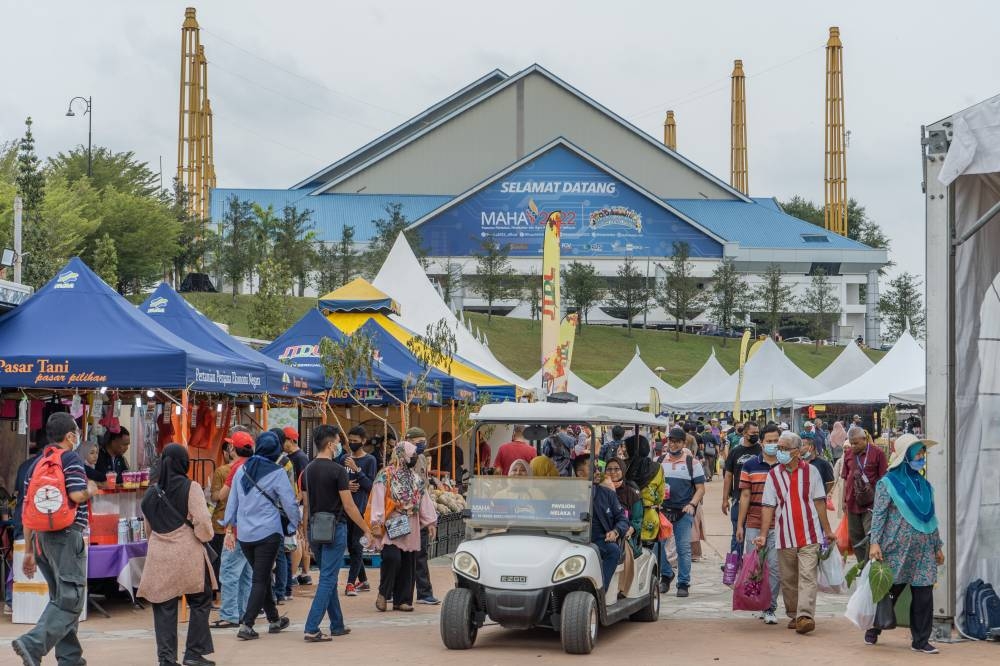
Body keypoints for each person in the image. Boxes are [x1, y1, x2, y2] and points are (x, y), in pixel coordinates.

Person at [12, 413, 99, 666]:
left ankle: (70, 659)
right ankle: (33, 644)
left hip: (41, 540)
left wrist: (29, 550)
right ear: (70, 436)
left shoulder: (36, 464)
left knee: (61, 600)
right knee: (71, 599)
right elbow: (76, 494)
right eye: (76, 432)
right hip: (67, 536)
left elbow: (27, 511)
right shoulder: (70, 458)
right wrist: (90, 489)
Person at [863, 434, 944, 654]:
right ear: (905, 456)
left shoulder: (925, 485)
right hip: (896, 549)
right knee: (891, 591)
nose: (920, 457)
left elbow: (931, 518)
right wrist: (874, 543)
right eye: (916, 453)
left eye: (921, 453)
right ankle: (875, 626)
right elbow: (878, 515)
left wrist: (938, 547)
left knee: (924, 594)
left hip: (924, 550)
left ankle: (920, 641)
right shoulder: (887, 483)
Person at [138, 444, 217, 666]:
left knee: (163, 607)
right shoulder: (191, 487)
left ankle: (166, 659)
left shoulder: (150, 493)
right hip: (188, 555)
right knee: (201, 600)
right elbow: (202, 521)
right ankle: (193, 653)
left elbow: (149, 529)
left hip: (160, 557)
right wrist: (205, 536)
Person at [755, 431, 836, 636]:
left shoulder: (812, 472)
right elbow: (768, 506)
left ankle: (805, 616)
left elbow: (819, 502)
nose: (779, 452)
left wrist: (827, 531)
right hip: (784, 535)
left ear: (798, 451)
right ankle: (794, 614)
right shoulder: (773, 475)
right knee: (789, 579)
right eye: (778, 448)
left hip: (810, 535)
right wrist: (763, 535)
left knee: (808, 575)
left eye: (784, 448)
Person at [223, 431, 300, 641]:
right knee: (260, 578)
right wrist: (295, 524)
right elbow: (289, 502)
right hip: (268, 533)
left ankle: (274, 619)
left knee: (262, 576)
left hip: (245, 535)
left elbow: (232, 502)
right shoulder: (277, 472)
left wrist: (228, 525)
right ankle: (247, 625)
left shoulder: (241, 470)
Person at [301, 425, 374, 642]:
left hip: (315, 528)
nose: (341, 445)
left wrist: (304, 533)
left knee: (328, 576)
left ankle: (337, 624)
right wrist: (367, 529)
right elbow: (350, 507)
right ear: (331, 444)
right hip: (335, 528)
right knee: (328, 578)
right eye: (338, 441)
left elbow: (307, 504)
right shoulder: (338, 470)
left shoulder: (309, 469)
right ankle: (312, 627)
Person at [369, 441, 438, 612]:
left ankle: (403, 599)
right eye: (411, 454)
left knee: (408, 562)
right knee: (393, 558)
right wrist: (376, 521)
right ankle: (383, 594)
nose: (414, 457)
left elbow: (424, 499)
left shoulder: (416, 478)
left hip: (411, 523)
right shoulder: (385, 475)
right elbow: (377, 498)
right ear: (400, 455)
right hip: (392, 522)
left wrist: (430, 522)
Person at [736, 423, 782, 624]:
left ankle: (770, 607)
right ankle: (759, 601)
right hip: (754, 523)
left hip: (779, 525)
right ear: (761, 443)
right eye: (769, 441)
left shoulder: (785, 466)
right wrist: (740, 525)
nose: (772, 444)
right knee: (756, 565)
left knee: (774, 567)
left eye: (776, 441)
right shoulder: (750, 465)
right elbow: (745, 495)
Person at [213, 429, 254, 630]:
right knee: (246, 572)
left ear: (232, 448)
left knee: (229, 572)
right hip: (253, 529)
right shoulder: (256, 466)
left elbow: (222, 496)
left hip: (235, 528)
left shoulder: (235, 468)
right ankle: (243, 612)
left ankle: (229, 614)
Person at [659, 427, 706, 598]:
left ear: (683, 443)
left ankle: (683, 583)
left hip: (684, 511)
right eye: (671, 441)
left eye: (677, 441)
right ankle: (666, 575)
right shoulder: (660, 461)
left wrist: (692, 504)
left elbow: (700, 489)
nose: (673, 444)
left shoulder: (692, 463)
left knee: (683, 548)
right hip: (663, 511)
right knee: (658, 546)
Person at [576, 455, 627, 591]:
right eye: (593, 468)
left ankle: (599, 592)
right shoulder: (568, 494)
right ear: (580, 473)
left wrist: (615, 531)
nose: (598, 472)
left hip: (600, 540)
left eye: (598, 468)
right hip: (573, 540)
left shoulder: (607, 494)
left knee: (613, 550)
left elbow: (622, 519)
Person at [401, 427, 440, 605]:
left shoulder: (423, 458)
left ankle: (424, 592)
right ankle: (398, 592)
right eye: (418, 443)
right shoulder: (400, 460)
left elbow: (422, 489)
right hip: (403, 514)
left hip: (420, 513)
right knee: (403, 556)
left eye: (423, 442)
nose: (421, 445)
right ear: (408, 441)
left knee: (421, 554)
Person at [623, 434, 667, 586]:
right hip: (650, 516)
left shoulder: (624, 467)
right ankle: (646, 583)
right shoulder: (657, 468)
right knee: (648, 551)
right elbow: (661, 495)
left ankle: (630, 582)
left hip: (628, 516)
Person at [841, 426, 888, 564]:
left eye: (856, 443)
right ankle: (862, 565)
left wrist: (881, 502)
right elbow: (845, 478)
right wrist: (844, 500)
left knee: (870, 535)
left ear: (864, 439)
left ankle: (871, 565)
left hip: (871, 503)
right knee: (855, 535)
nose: (853, 446)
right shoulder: (848, 454)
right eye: (851, 443)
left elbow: (883, 479)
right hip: (852, 502)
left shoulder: (877, 453)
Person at [343, 426, 377, 598]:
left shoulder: (370, 460)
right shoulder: (343, 459)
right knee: (351, 547)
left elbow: (371, 486)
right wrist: (346, 485)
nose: (352, 444)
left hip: (362, 509)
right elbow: (339, 483)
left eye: (356, 441)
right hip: (345, 509)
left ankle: (350, 583)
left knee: (357, 546)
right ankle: (363, 580)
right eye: (350, 440)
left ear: (363, 441)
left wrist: (357, 470)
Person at [722, 421, 761, 553]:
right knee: (738, 533)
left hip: (758, 500)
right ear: (744, 433)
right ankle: (735, 563)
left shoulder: (761, 450)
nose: (756, 435)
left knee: (756, 536)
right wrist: (724, 499)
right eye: (753, 433)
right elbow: (728, 476)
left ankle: (754, 566)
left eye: (757, 433)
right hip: (738, 499)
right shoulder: (735, 452)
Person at [208, 440, 237, 584]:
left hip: (221, 522)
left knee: (218, 559)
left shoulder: (221, 471)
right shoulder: (248, 468)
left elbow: (215, 497)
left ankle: (217, 591)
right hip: (241, 525)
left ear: (227, 453)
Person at [605, 457, 642, 557]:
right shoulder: (599, 489)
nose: (612, 472)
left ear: (623, 470)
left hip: (624, 535)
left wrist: (631, 530)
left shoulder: (631, 493)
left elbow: (637, 519)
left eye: (617, 469)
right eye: (609, 469)